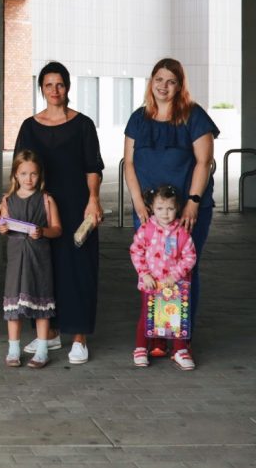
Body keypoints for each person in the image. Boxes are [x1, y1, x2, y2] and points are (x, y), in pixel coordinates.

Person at [6, 62, 103, 365]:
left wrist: (94, 199)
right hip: (39, 209)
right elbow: (18, 170)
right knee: (42, 272)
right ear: (42, 89)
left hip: (76, 206)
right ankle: (48, 334)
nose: (54, 90)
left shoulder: (83, 125)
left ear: (68, 87)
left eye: (59, 84)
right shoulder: (29, 126)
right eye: (48, 85)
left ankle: (79, 338)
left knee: (77, 270)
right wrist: (7, 202)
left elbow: (93, 168)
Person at [124, 58, 218, 347]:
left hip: (187, 211)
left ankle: (180, 337)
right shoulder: (138, 119)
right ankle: (156, 335)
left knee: (183, 271)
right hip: (149, 213)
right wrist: (139, 203)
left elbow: (204, 161)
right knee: (151, 270)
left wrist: (193, 201)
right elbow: (128, 163)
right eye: (159, 80)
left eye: (171, 81)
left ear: (180, 86)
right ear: (151, 81)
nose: (164, 86)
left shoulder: (193, 115)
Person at [0, 150, 61, 369]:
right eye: (23, 173)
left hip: (39, 257)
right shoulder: (8, 200)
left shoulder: (46, 199)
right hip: (16, 258)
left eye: (33, 174)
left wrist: (42, 231)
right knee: (13, 303)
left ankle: (42, 349)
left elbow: (57, 229)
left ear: (39, 175)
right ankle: (13, 349)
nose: (28, 178)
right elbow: (3, 227)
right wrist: (2, 227)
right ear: (15, 174)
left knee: (41, 301)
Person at [129, 184, 197, 370]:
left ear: (178, 209)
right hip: (152, 284)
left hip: (176, 286)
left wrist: (175, 276)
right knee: (147, 315)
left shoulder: (182, 232)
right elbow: (136, 251)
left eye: (170, 208)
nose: (165, 213)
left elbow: (190, 257)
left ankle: (179, 350)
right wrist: (144, 273)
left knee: (177, 318)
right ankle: (142, 347)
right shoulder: (146, 230)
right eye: (160, 208)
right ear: (151, 208)